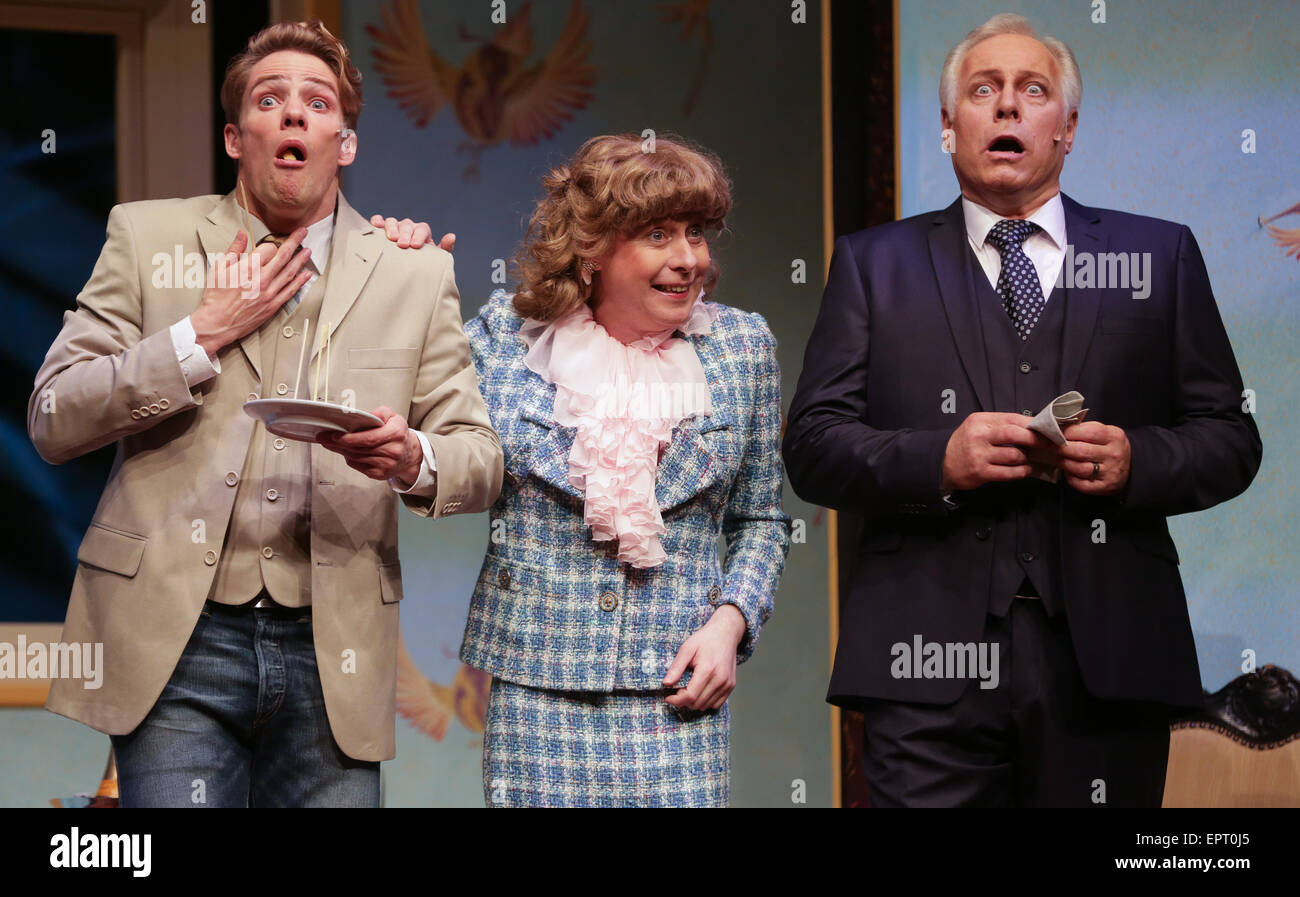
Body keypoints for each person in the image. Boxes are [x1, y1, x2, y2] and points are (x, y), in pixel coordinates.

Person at [783, 13, 1261, 807]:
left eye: (1032, 90)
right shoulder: (873, 264)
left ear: (1067, 126)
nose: (1007, 107)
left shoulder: (1158, 254)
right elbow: (812, 446)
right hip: (923, 665)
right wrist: (938, 458)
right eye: (983, 90)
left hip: (1110, 664)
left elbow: (1230, 437)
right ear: (947, 125)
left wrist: (1136, 460)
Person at [27, 20, 503, 807]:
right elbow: (53, 415)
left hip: (333, 642)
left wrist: (413, 456)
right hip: (177, 637)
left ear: (343, 143)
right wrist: (199, 333)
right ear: (233, 135)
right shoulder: (149, 240)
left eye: (316, 103)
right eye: (269, 98)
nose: (293, 115)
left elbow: (479, 456)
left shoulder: (412, 274)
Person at [460, 134, 790, 807]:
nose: (688, 258)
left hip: (675, 691)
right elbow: (435, 452)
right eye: (658, 234)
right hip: (539, 694)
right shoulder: (506, 339)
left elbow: (761, 518)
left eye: (696, 232)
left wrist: (732, 622)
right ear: (594, 247)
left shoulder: (741, 347)